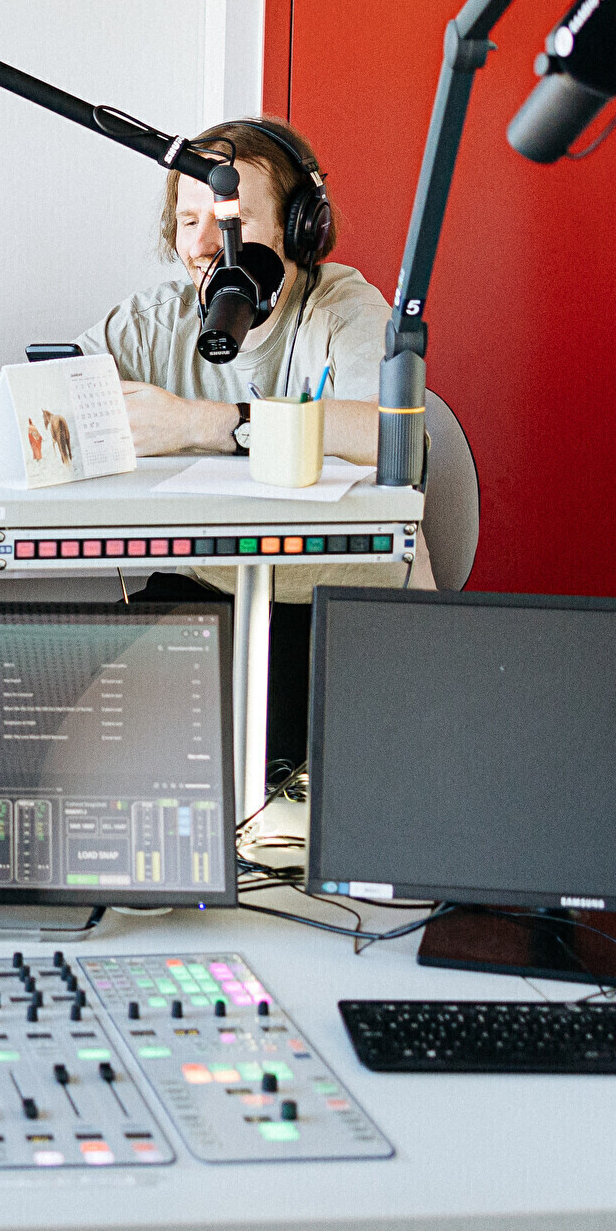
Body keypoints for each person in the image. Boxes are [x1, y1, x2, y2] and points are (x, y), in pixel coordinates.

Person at [69, 115, 409, 771]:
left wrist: (202, 425)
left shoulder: (344, 308)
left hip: (332, 593)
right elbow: (6, 402)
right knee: (87, 745)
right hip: (208, 584)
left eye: (231, 220)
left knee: (260, 774)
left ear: (300, 228)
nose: (202, 245)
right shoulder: (157, 318)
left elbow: (387, 431)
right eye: (187, 220)